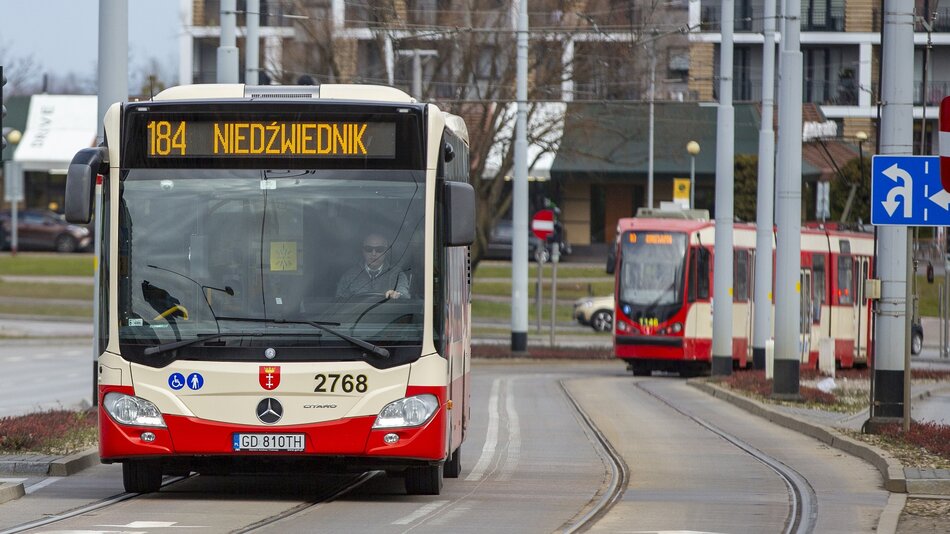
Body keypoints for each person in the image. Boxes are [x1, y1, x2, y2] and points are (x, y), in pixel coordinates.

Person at [336, 232, 410, 300]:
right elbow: (338, 303)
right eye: (369, 249)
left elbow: (404, 295)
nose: (374, 253)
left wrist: (397, 295)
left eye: (379, 249)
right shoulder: (349, 276)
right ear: (363, 251)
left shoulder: (397, 274)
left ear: (386, 251)